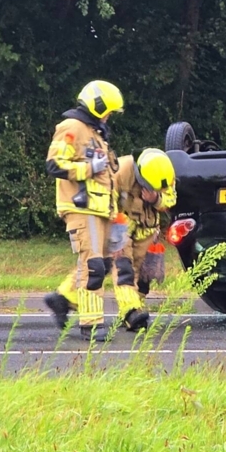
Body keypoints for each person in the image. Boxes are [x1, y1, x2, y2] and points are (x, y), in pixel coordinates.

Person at [42, 80, 148, 340]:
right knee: (94, 267)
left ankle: (62, 300)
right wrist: (89, 168)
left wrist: (115, 214)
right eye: (108, 111)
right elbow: (54, 164)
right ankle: (90, 324)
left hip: (101, 210)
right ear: (97, 106)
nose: (109, 116)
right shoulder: (72, 127)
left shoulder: (95, 133)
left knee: (104, 263)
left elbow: (107, 179)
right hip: (83, 208)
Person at [113, 148, 177, 301]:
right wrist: (115, 234)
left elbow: (171, 199)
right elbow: (108, 203)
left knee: (144, 279)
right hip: (123, 230)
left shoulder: (165, 173)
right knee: (125, 270)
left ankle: (137, 306)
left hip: (148, 233)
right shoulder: (120, 171)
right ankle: (130, 309)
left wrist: (156, 198)